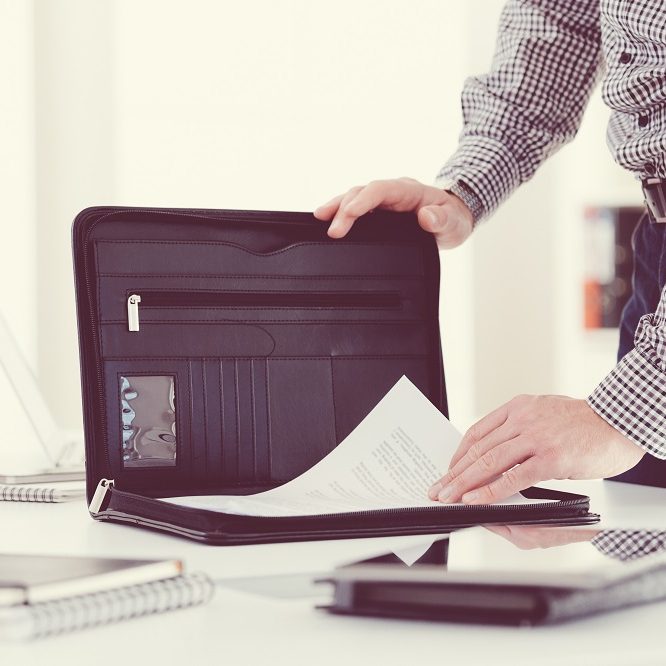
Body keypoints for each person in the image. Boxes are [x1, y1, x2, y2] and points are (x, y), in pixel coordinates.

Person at [314, 0, 666, 504]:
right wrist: (464, 190)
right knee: (644, 539)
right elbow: (556, 23)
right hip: (656, 254)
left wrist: (628, 410)